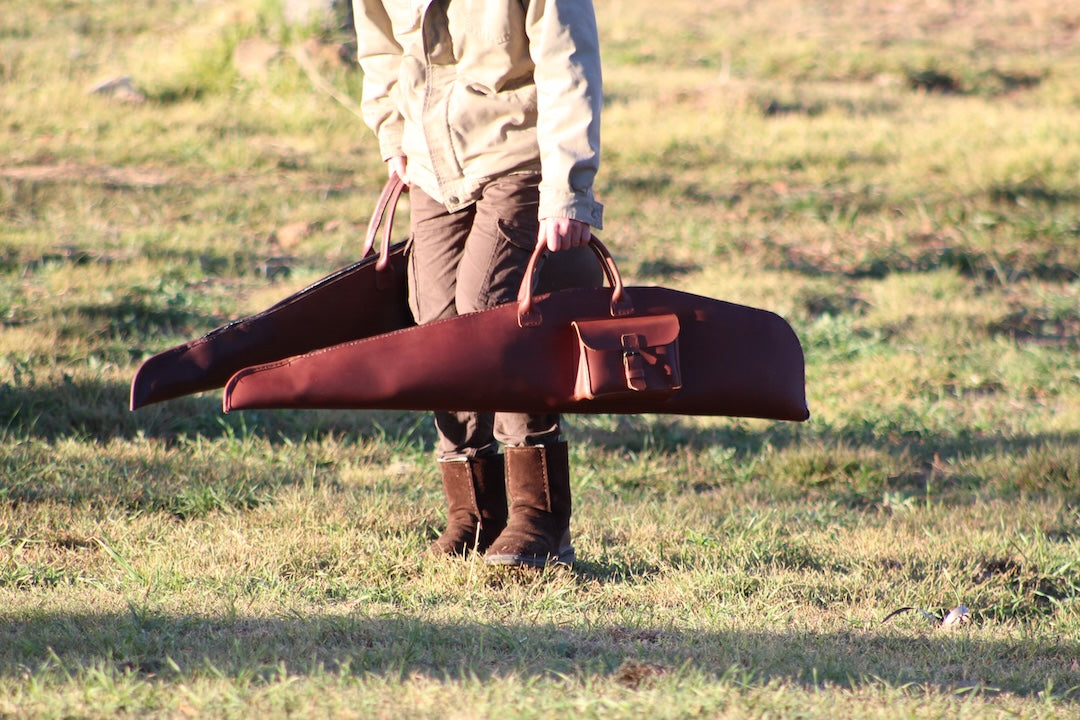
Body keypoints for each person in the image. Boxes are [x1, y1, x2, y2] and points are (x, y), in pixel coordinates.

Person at [352, 0, 604, 566]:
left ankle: (539, 521)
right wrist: (393, 136)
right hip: (429, 161)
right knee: (437, 327)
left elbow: (569, 62)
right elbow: (379, 44)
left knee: (491, 316)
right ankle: (476, 514)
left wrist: (567, 190)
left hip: (518, 150)